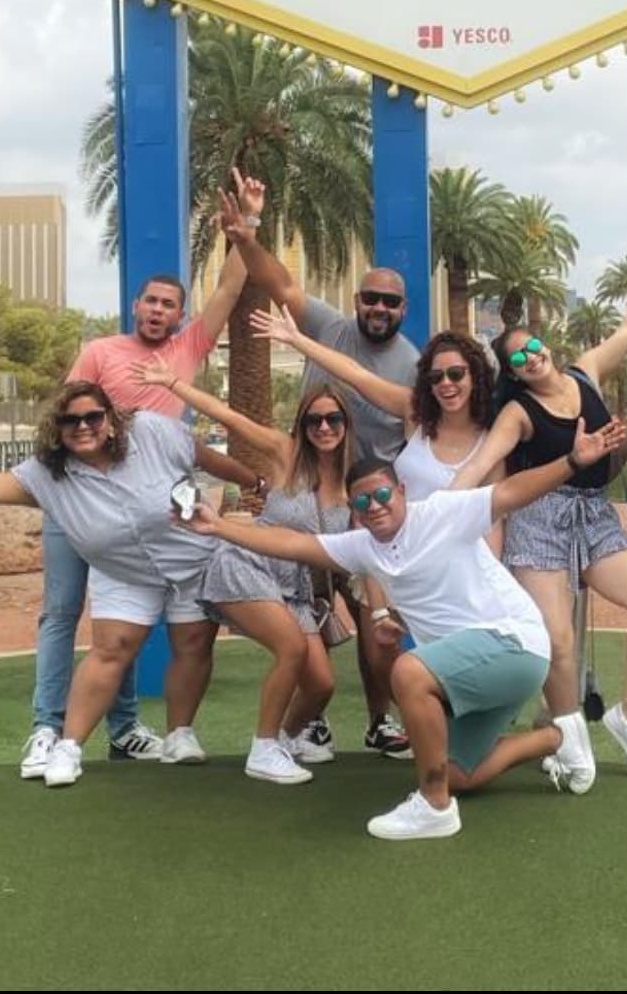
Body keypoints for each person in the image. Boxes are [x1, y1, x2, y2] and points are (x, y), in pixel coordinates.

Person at [180, 415, 626, 839]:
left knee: (409, 672)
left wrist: (572, 461)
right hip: (479, 669)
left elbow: (511, 492)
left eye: (382, 495)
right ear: (353, 509)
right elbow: (292, 543)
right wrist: (219, 527)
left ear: (401, 491)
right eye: (361, 502)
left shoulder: (442, 512)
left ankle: (435, 808)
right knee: (458, 773)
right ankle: (557, 737)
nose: (374, 507)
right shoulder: (363, 546)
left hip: (514, 644)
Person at [22, 169, 265, 781]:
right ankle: (46, 730)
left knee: (127, 617)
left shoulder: (185, 350)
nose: (158, 310)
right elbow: (64, 416)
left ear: (180, 315)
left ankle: (125, 728)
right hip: (84, 499)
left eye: (169, 305)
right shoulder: (100, 352)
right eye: (150, 301)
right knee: (62, 613)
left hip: (160, 504)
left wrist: (247, 224)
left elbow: (230, 288)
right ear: (135, 305)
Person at [0, 382, 222, 789]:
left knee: (194, 641)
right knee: (111, 649)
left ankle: (180, 734)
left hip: (187, 559)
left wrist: (256, 483)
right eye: (70, 420)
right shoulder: (47, 474)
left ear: (110, 421)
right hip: (122, 570)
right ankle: (67, 746)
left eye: (92, 417)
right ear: (56, 429)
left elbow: (203, 456)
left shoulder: (147, 439)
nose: (83, 426)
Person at [452, 271, 627, 793]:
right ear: (513, 374)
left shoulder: (586, 374)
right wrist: (439, 509)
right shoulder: (518, 411)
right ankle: (568, 736)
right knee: (557, 639)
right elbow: (481, 464)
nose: (530, 357)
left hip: (593, 515)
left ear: (546, 345)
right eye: (517, 358)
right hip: (539, 521)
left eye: (532, 346)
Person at [218, 173, 418, 757]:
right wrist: (248, 229)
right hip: (308, 494)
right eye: (371, 298)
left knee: (374, 618)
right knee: (304, 606)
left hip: (365, 508)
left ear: (404, 309)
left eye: (390, 301)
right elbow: (276, 280)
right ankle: (308, 722)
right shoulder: (330, 326)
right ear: (357, 300)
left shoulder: (412, 364)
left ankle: (380, 720)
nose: (379, 308)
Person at [132, 359, 354, 785]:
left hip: (296, 587)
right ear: (302, 425)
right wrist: (171, 381)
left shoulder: (350, 482)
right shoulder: (287, 454)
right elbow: (228, 416)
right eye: (313, 420)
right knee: (290, 647)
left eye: (333, 419)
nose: (324, 427)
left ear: (346, 424)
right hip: (248, 561)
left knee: (321, 684)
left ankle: (286, 737)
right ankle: (263, 749)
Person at [250, 303, 501, 501]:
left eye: (456, 374)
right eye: (436, 377)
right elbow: (356, 374)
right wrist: (298, 340)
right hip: (396, 544)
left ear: (476, 376)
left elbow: (494, 518)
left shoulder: (492, 442)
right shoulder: (415, 412)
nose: (446, 383)